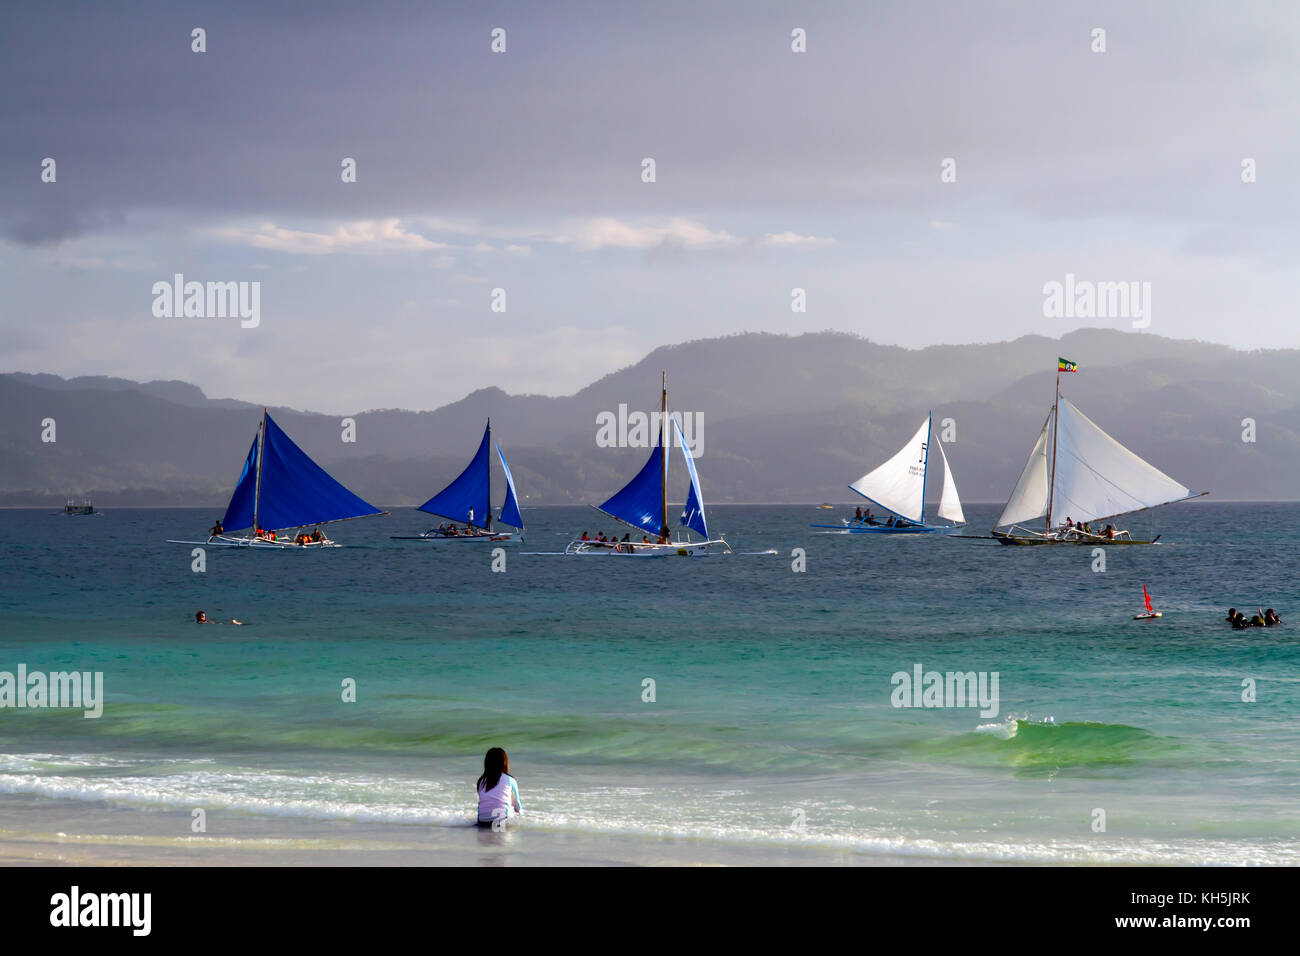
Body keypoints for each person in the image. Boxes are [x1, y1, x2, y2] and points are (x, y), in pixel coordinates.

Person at [476, 747, 522, 828]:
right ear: (504, 762)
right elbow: (517, 807)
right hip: (502, 821)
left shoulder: (481, 781)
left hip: (482, 821)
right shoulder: (510, 780)